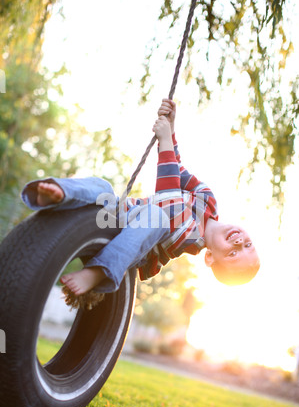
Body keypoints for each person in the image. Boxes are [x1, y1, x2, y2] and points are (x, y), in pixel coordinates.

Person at [21, 99, 260, 307]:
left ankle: (99, 272)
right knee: (103, 188)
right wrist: (171, 129)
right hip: (123, 216)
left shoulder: (190, 240)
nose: (239, 242)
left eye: (233, 254)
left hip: (135, 247)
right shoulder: (208, 200)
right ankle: (60, 195)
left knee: (156, 217)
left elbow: (166, 201)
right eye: (247, 245)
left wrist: (165, 139)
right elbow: (175, 168)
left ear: (210, 258)